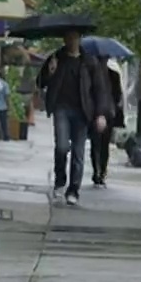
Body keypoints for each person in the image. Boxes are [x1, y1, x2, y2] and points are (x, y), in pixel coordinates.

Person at [36, 31, 112, 206]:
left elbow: (100, 90)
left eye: (74, 37)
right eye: (67, 37)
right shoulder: (56, 58)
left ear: (79, 39)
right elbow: (40, 82)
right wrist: (50, 71)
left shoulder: (90, 62)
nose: (70, 41)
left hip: (83, 112)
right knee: (62, 147)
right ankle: (60, 182)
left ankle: (73, 190)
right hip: (61, 108)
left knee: (78, 153)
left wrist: (101, 114)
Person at [90, 58, 124, 187]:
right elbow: (118, 96)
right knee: (102, 143)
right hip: (105, 112)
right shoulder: (110, 74)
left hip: (106, 112)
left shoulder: (110, 74)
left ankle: (99, 170)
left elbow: (118, 95)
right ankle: (100, 170)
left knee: (99, 143)